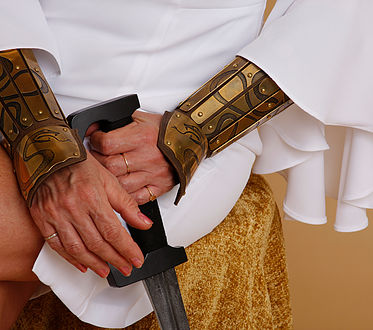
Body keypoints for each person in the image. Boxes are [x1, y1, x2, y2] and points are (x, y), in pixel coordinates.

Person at [1, 0, 372, 328]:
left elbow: (341, 11)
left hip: (152, 124)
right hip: (14, 88)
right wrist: (43, 145)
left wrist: (190, 132)